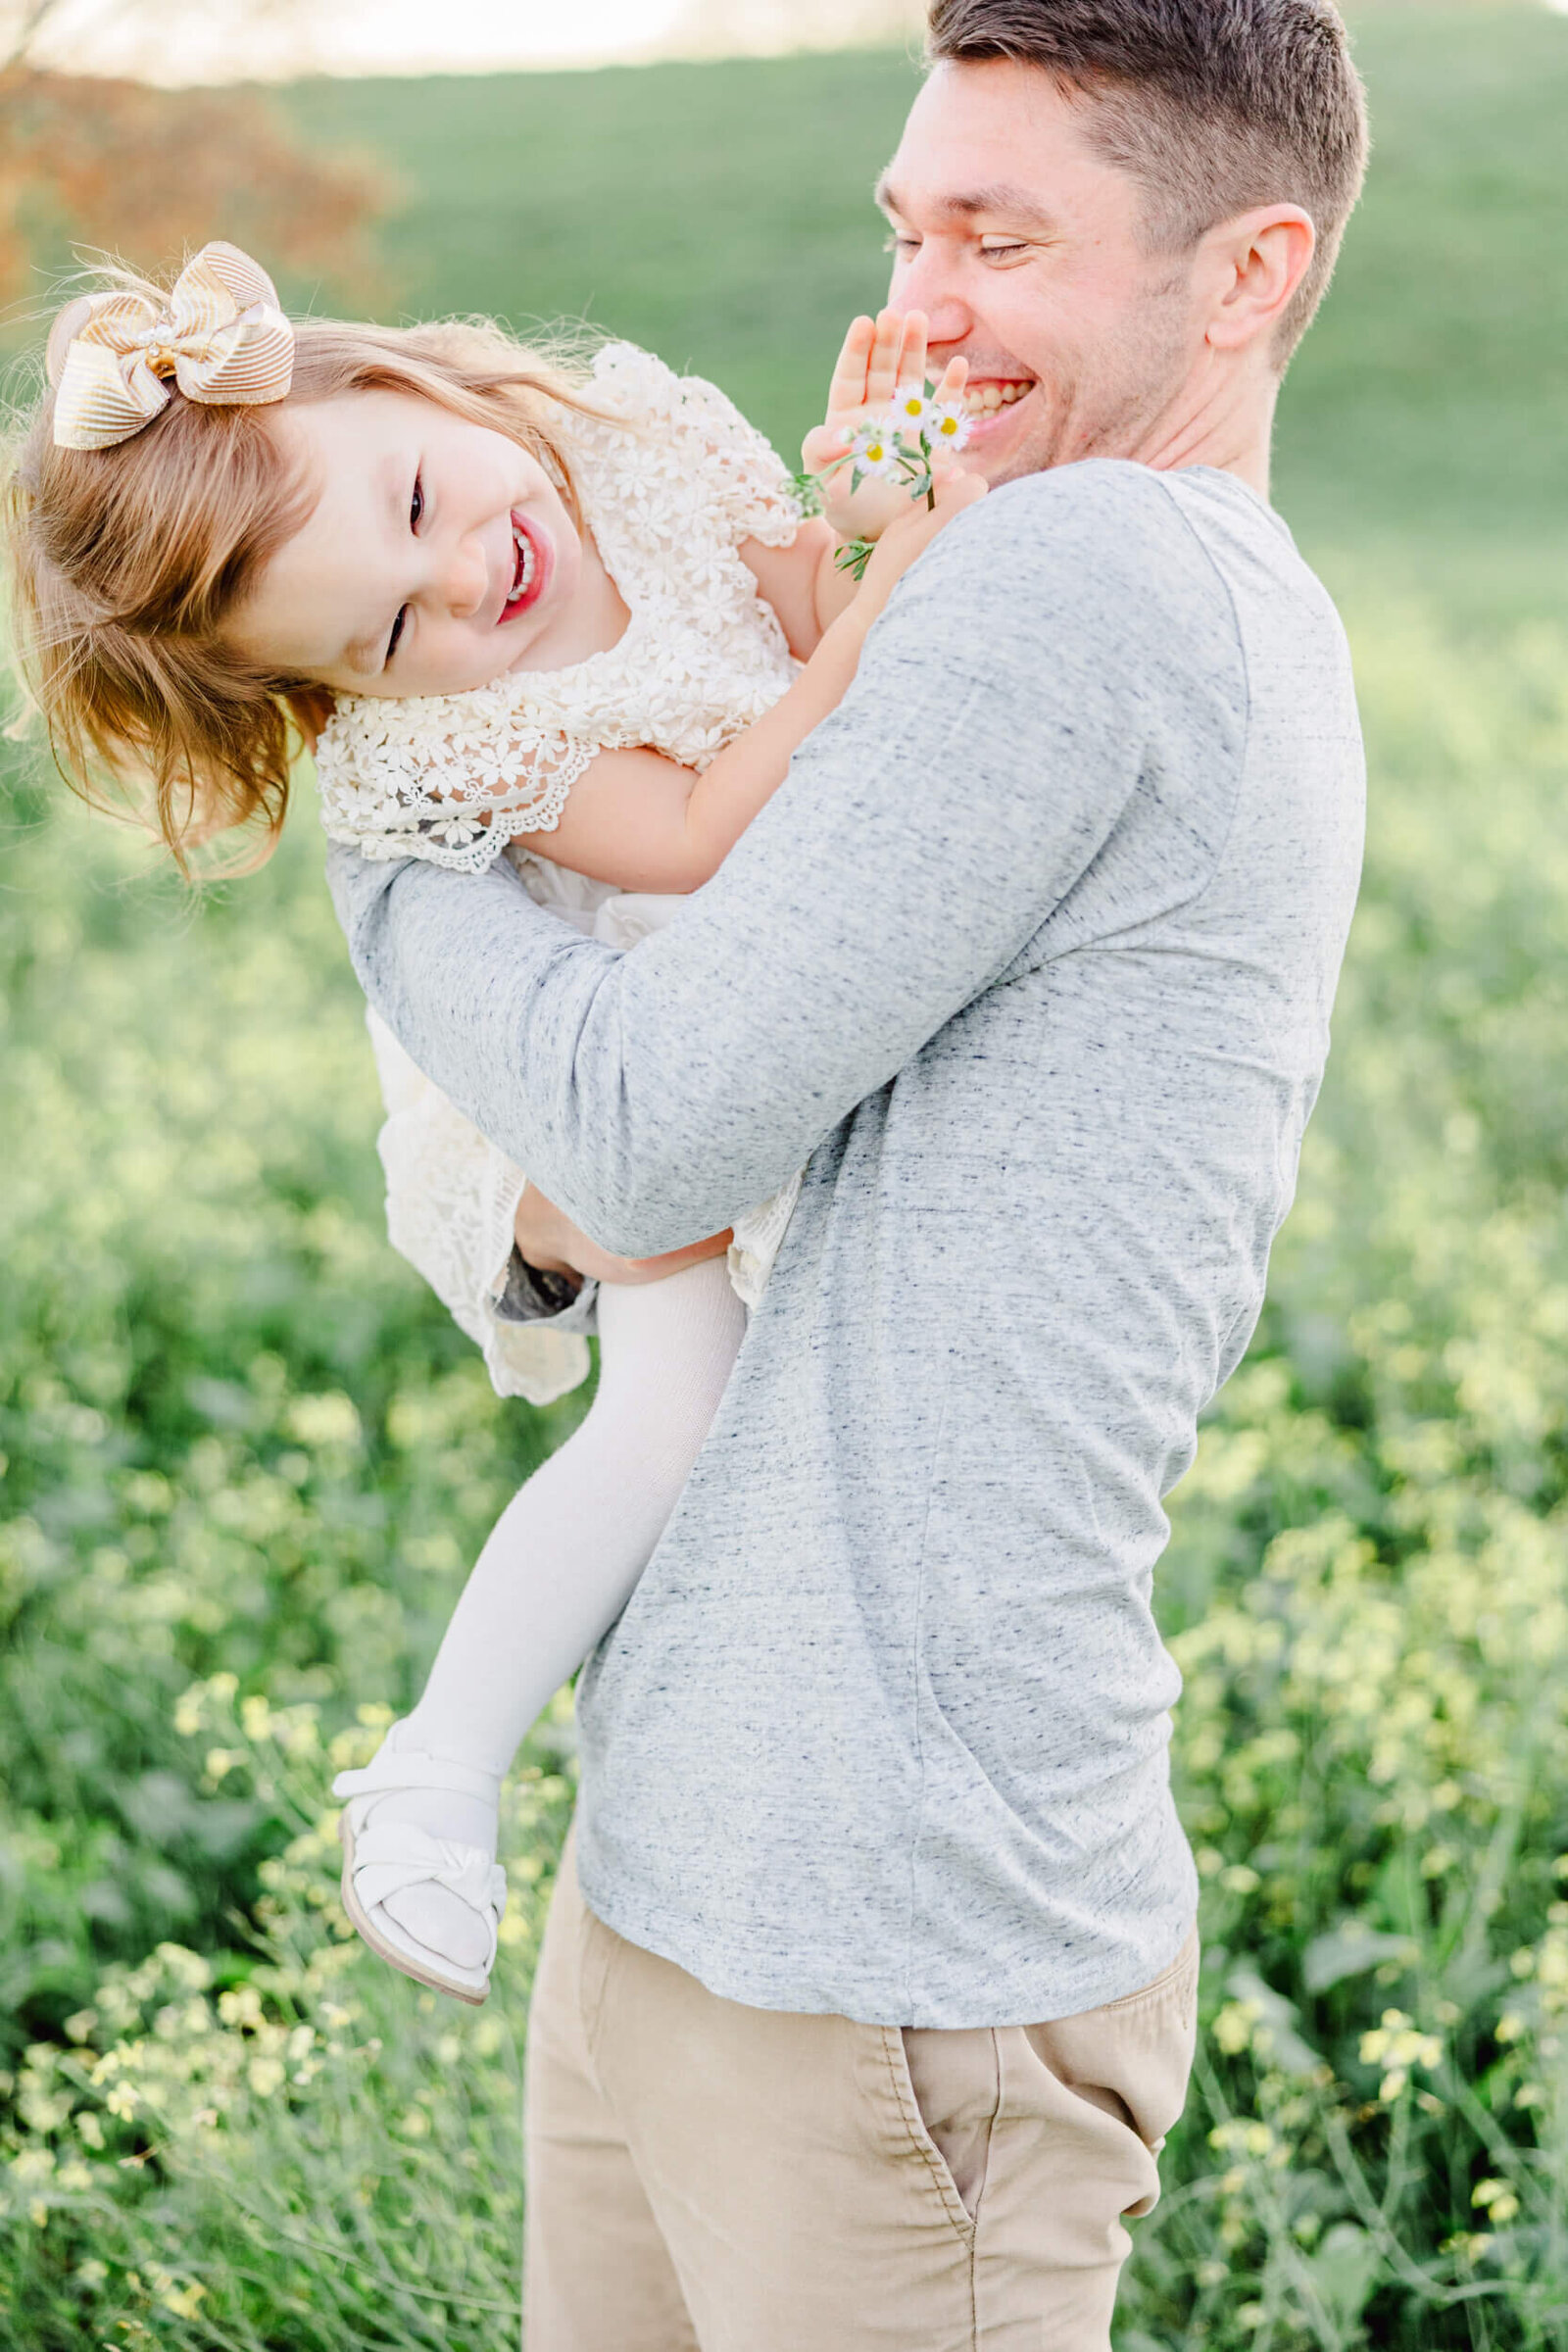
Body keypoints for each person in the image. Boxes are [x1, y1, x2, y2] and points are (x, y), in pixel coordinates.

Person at [325, 2, 1372, 2343]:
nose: (918, 302)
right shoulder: (1022, 562)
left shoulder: (1080, 573)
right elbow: (618, 1179)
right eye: (906, 227)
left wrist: (376, 819)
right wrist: (529, 1216)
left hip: (886, 1950)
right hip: (691, 1862)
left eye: (999, 241)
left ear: (1242, 277)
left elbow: (641, 1122)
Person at [4, 245, 985, 2005]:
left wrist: (864, 518)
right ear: (344, 696)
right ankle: (440, 1771)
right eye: (389, 631)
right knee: (668, 1418)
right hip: (634, 1018)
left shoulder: (629, 433)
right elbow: (690, 833)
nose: (463, 581)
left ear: (416, 385)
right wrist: (901, 588)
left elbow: (815, 604)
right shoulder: (429, 753)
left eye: (418, 497)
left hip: (813, 942)